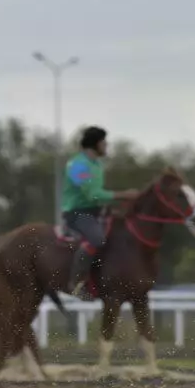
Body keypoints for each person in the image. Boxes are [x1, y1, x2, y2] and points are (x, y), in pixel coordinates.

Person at [62, 126, 139, 299]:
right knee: (97, 238)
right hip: (77, 213)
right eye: (104, 142)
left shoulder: (97, 164)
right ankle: (76, 283)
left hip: (95, 212)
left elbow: (97, 196)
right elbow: (93, 193)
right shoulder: (77, 165)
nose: (106, 145)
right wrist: (123, 195)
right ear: (95, 144)